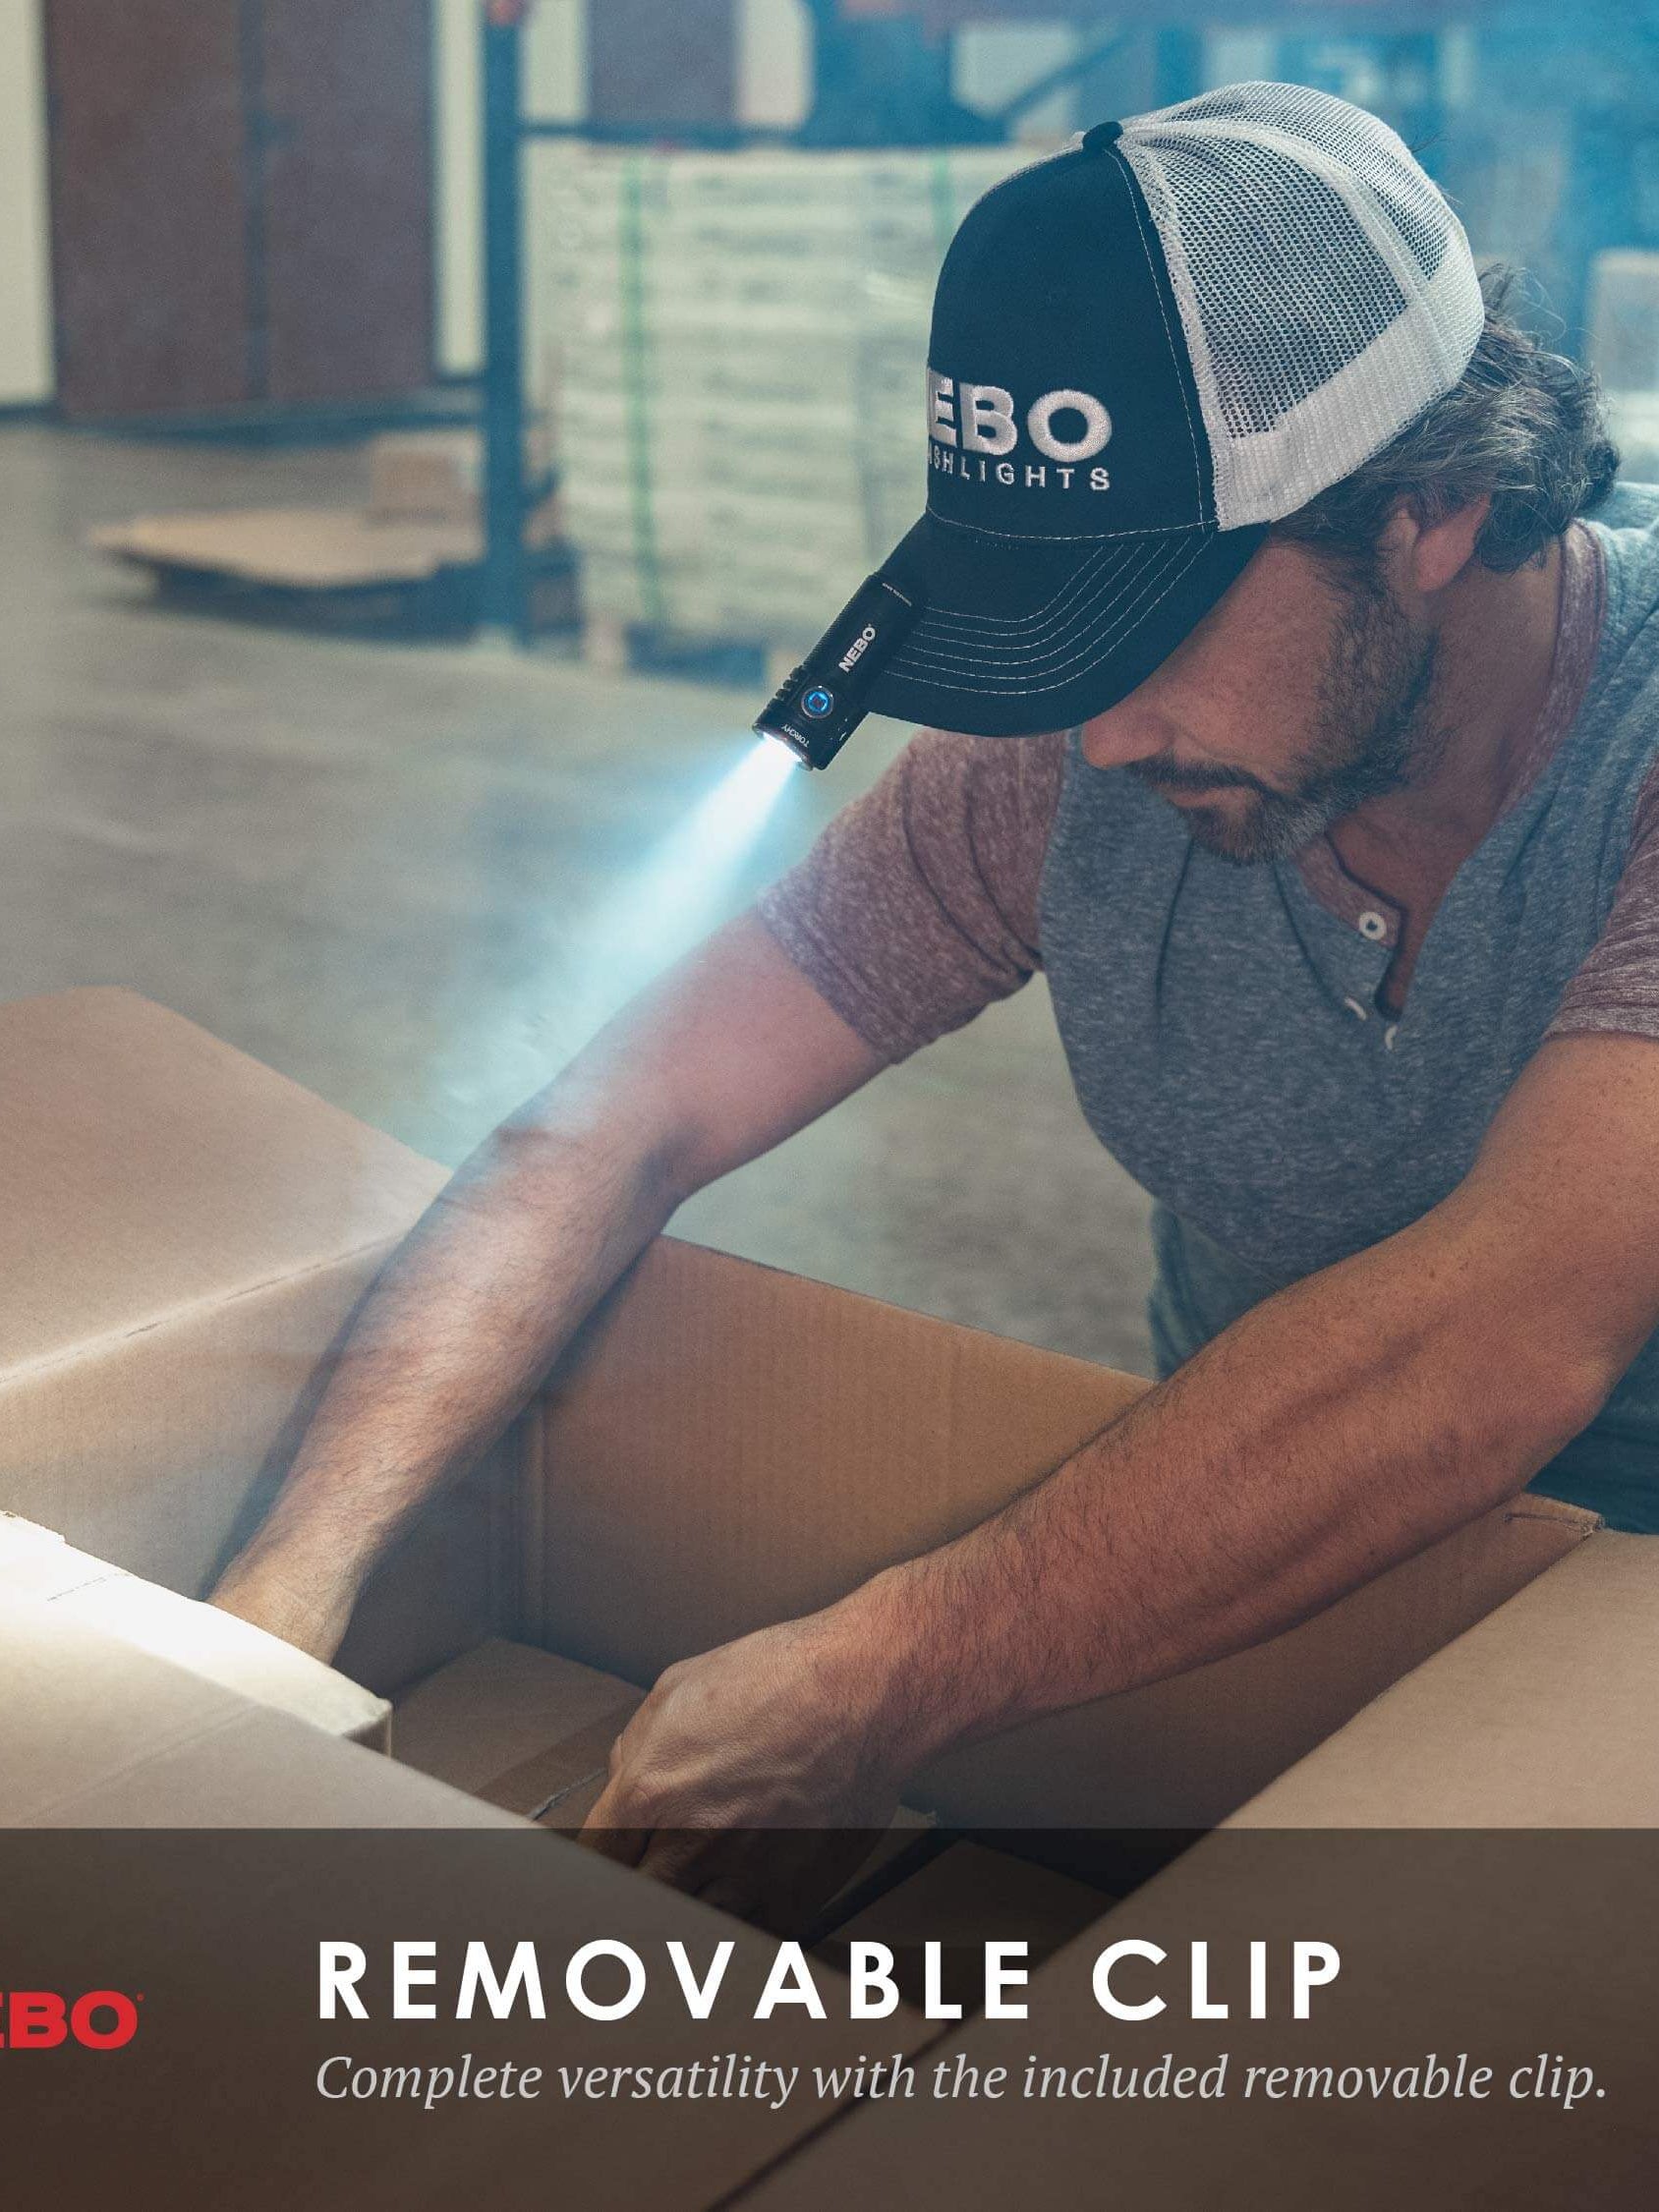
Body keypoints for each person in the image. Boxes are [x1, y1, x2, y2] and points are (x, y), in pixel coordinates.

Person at [213, 85, 1659, 1911]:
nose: (1098, 727)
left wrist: (883, 1669)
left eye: (1142, 637)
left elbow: (1497, 1336)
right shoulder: (1087, 764)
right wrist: (279, 1612)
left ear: (1432, 506)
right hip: (1284, 1550)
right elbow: (611, 1121)